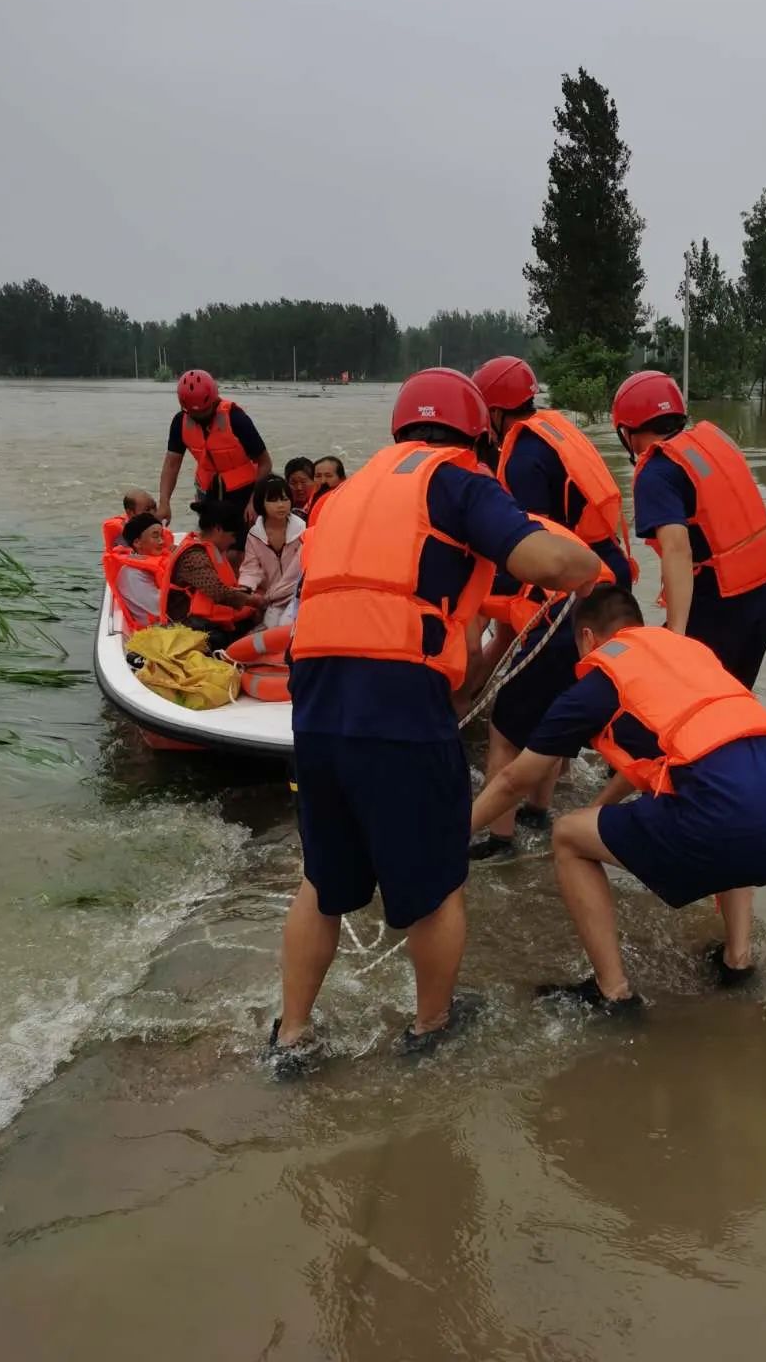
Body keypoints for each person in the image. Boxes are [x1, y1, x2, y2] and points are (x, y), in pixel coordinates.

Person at [273, 368, 601, 1066]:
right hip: (398, 707)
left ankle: (292, 1034)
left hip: (315, 706)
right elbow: (548, 562)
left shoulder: (342, 495)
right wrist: (589, 561)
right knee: (436, 882)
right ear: (477, 434)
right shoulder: (458, 481)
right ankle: (430, 1027)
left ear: (399, 428)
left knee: (322, 883)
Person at [470, 586, 766, 1003]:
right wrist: (598, 811)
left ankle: (612, 991)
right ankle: (737, 959)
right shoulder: (687, 653)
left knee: (568, 835)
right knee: (729, 799)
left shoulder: (599, 685)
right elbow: (657, 758)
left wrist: (449, 842)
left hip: (731, 819)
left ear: (587, 638)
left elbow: (515, 780)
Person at [611, 371, 766, 688]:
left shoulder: (656, 472)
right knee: (730, 709)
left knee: (686, 712)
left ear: (627, 430)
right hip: (760, 606)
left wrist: (675, 637)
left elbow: (676, 549)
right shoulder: (713, 444)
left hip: (717, 615)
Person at [469, 517, 614, 863]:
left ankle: (500, 837)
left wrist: (464, 700)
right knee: (551, 722)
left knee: (503, 738)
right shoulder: (523, 525)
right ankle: (536, 810)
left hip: (561, 632)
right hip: (601, 617)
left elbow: (472, 649)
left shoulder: (468, 549)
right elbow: (506, 635)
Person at [472, 356, 634, 588]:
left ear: (495, 413)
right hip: (611, 563)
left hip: (587, 585)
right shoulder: (556, 429)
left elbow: (534, 553)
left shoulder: (522, 459)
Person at [155, 370, 272, 538]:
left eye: (204, 411)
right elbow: (172, 465)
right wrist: (164, 502)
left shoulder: (236, 418)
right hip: (208, 489)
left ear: (214, 400)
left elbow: (265, 462)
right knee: (210, 540)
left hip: (243, 491)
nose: (200, 417)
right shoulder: (179, 423)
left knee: (237, 546)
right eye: (194, 413)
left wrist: (254, 501)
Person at [159, 497, 264, 647]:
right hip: (186, 625)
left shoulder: (213, 550)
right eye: (232, 536)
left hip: (209, 621)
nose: (233, 542)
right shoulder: (195, 557)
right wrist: (254, 601)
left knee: (252, 618)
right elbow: (218, 592)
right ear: (218, 529)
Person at [239, 476, 305, 628]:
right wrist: (245, 588)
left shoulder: (302, 530)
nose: (281, 505)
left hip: (297, 593)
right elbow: (251, 568)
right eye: (273, 500)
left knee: (285, 625)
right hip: (272, 597)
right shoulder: (255, 535)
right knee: (270, 626)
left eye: (284, 499)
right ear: (261, 503)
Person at [103, 512, 168, 631]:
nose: (161, 541)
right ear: (137, 543)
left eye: (161, 536)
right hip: (156, 632)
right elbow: (161, 608)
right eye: (155, 536)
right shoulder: (131, 574)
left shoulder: (152, 563)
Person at [306, 455, 346, 527]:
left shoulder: (348, 502)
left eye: (328, 476)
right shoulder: (312, 496)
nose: (323, 481)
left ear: (342, 479)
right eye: (318, 476)